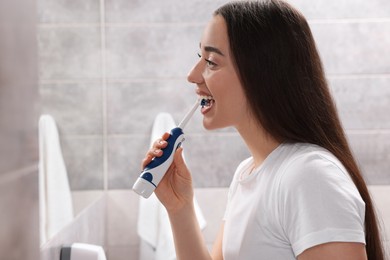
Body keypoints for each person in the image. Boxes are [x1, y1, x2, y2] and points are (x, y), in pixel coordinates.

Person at [141, 0, 385, 259]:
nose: (193, 75)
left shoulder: (310, 176)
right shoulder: (247, 174)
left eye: (211, 61)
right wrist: (179, 208)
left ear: (262, 72)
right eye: (199, 57)